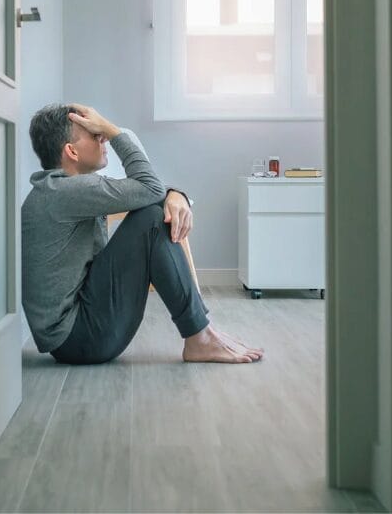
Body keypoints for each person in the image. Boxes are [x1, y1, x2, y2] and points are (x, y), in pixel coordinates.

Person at [21, 103, 264, 365]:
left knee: (151, 212)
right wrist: (113, 131)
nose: (102, 138)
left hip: (78, 333)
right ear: (71, 151)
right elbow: (149, 189)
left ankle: (203, 332)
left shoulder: (59, 190)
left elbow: (147, 192)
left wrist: (174, 195)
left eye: (101, 133)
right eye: (94, 134)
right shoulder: (67, 192)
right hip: (80, 339)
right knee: (151, 219)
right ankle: (199, 336)